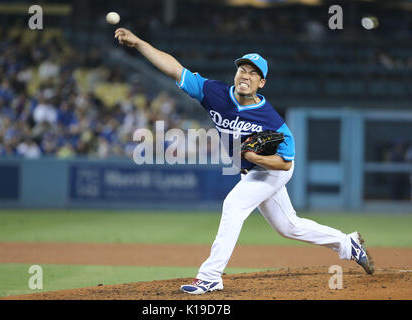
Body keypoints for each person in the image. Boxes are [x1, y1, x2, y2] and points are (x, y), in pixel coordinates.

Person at [114, 28, 375, 294]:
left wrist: (254, 156)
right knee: (288, 226)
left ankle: (210, 276)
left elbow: (286, 163)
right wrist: (138, 43)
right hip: (250, 171)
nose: (245, 76)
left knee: (234, 204)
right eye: (242, 70)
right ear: (235, 74)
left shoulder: (271, 119)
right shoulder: (213, 93)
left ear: (261, 83)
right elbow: (174, 69)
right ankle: (347, 244)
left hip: (271, 169)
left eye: (253, 73)